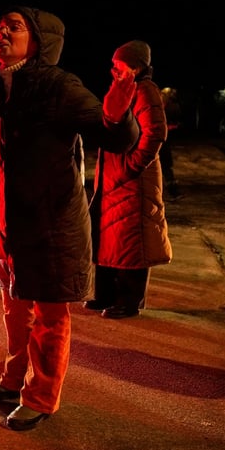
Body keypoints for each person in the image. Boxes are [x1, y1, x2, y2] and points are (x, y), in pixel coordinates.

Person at [0, 7, 138, 431]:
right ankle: (13, 379)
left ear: (39, 39)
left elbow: (113, 136)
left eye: (14, 27)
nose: (2, 33)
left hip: (50, 221)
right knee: (14, 309)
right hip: (8, 218)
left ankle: (41, 397)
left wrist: (118, 116)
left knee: (49, 315)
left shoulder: (58, 85)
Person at [86, 40, 173, 319]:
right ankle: (106, 295)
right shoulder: (123, 88)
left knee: (132, 239)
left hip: (134, 181)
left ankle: (128, 301)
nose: (113, 69)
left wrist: (132, 166)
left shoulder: (145, 90)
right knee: (109, 237)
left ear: (135, 67)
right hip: (114, 177)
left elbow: (155, 132)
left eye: (118, 64)